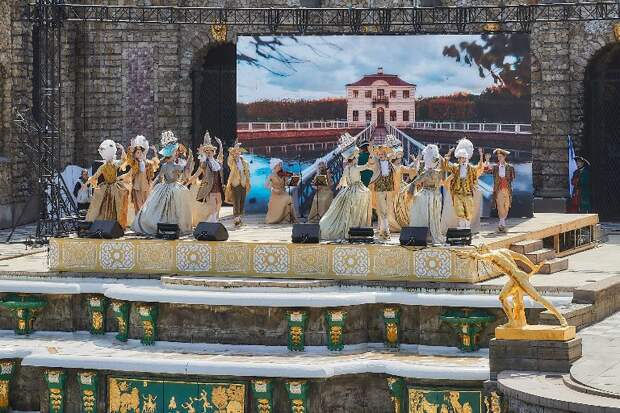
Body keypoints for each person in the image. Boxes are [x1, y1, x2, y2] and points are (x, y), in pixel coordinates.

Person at [131, 130, 194, 236]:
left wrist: (158, 185)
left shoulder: (167, 166)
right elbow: (184, 170)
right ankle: (169, 225)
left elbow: (161, 177)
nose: (176, 153)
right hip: (172, 187)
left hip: (167, 187)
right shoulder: (173, 166)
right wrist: (189, 159)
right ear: (171, 154)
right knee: (170, 208)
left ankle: (170, 225)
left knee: (168, 207)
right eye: (175, 152)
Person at [320, 146, 373, 240]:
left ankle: (350, 226)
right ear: (353, 159)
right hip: (357, 189)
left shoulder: (346, 168)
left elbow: (343, 179)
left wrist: (339, 185)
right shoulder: (356, 168)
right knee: (366, 194)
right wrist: (371, 155)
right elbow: (367, 166)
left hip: (348, 189)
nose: (357, 159)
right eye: (356, 157)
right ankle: (355, 226)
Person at [85, 140, 131, 228]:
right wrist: (86, 184)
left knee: (117, 204)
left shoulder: (115, 164)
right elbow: (95, 176)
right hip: (106, 187)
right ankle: (105, 224)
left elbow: (123, 160)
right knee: (104, 205)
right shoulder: (103, 167)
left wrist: (122, 149)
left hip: (115, 186)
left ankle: (117, 224)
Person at [442, 138, 485, 229]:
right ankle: (462, 229)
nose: (463, 160)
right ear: (458, 159)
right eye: (461, 158)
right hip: (457, 193)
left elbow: (479, 168)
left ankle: (467, 229)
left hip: (468, 193)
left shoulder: (471, 168)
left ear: (466, 158)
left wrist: (481, 156)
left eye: (464, 158)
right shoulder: (455, 167)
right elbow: (446, 166)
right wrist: (449, 154)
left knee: (468, 212)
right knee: (459, 211)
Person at [407, 144, 444, 245]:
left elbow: (415, 183)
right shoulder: (439, 172)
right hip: (436, 196)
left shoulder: (426, 173)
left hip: (426, 196)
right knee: (434, 217)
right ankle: (433, 235)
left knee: (424, 217)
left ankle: (424, 236)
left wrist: (410, 193)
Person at [190, 132, 224, 224]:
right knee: (212, 203)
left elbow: (221, 156)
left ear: (213, 153)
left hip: (218, 185)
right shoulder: (205, 163)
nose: (209, 153)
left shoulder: (217, 162)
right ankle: (213, 219)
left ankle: (214, 217)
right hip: (210, 185)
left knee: (219, 202)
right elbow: (198, 173)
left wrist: (220, 145)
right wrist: (188, 182)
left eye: (210, 151)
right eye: (207, 152)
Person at [124, 135, 159, 213]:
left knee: (146, 205)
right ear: (135, 154)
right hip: (137, 187)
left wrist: (155, 152)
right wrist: (131, 146)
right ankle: (138, 221)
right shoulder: (134, 163)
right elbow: (129, 159)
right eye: (138, 152)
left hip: (146, 187)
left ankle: (144, 220)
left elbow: (156, 163)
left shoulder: (147, 163)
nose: (140, 154)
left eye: (141, 152)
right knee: (138, 206)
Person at [485, 148, 516, 232]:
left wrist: (506, 180)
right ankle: (502, 223)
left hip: (507, 189)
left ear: (504, 157)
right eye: (498, 157)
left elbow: (513, 177)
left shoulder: (510, 167)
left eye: (501, 156)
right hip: (499, 189)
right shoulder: (495, 167)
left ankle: (502, 222)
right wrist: (487, 160)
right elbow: (487, 170)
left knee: (507, 205)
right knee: (500, 205)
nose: (499, 158)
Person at [225, 142, 251, 227]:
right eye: (235, 153)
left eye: (238, 152)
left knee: (242, 201)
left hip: (243, 183)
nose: (236, 154)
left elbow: (247, 172)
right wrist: (233, 149)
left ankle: (240, 218)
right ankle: (236, 219)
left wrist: (248, 181)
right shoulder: (232, 162)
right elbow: (229, 160)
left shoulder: (245, 162)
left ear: (240, 153)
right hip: (235, 183)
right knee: (236, 201)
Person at [265, 158, 296, 224]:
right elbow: (266, 186)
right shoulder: (271, 176)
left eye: (281, 165)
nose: (281, 166)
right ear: (275, 166)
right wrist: (272, 189)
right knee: (286, 199)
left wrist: (293, 180)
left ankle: (287, 219)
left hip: (283, 193)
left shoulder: (283, 174)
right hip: (275, 194)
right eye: (279, 165)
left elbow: (287, 184)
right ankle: (278, 219)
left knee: (289, 198)